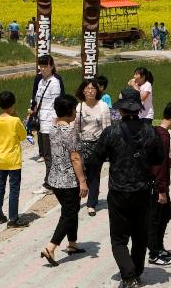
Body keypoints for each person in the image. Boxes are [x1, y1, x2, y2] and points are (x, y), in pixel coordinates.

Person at [85, 89, 163, 288]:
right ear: (138, 109)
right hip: (142, 190)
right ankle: (136, 273)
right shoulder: (150, 131)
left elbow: (95, 159)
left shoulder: (112, 132)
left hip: (119, 191)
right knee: (140, 237)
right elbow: (158, 158)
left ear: (120, 109)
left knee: (119, 239)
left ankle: (128, 278)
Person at [40, 94, 87, 266]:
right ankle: (51, 247)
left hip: (55, 178)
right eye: (74, 109)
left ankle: (72, 243)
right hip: (69, 180)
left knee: (71, 210)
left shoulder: (52, 128)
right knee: (69, 213)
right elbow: (75, 157)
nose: (75, 112)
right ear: (69, 111)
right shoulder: (70, 131)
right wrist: (82, 180)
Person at [148, 102, 171, 268]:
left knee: (166, 213)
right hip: (158, 185)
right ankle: (154, 254)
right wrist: (161, 190)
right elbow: (161, 165)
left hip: (157, 184)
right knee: (156, 219)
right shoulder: (163, 136)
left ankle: (158, 247)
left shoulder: (156, 130)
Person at [75, 79, 112, 216]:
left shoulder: (103, 106)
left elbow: (107, 129)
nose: (90, 91)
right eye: (87, 88)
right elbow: (75, 128)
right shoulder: (79, 107)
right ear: (83, 90)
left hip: (97, 145)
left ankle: (92, 203)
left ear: (97, 91)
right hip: (81, 144)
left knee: (94, 175)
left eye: (93, 88)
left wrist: (106, 148)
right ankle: (77, 200)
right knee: (79, 174)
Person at [0, 91, 27, 227]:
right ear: (13, 104)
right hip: (13, 159)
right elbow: (23, 136)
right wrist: (16, 117)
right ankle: (13, 218)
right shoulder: (15, 120)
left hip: (0, 158)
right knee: (14, 188)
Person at [30, 56, 63, 194]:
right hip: (42, 121)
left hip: (50, 122)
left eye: (45, 66)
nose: (43, 69)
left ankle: (50, 184)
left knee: (49, 154)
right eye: (41, 66)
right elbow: (38, 100)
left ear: (51, 66)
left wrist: (55, 122)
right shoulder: (41, 81)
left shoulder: (54, 82)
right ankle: (52, 181)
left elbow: (56, 104)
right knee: (46, 153)